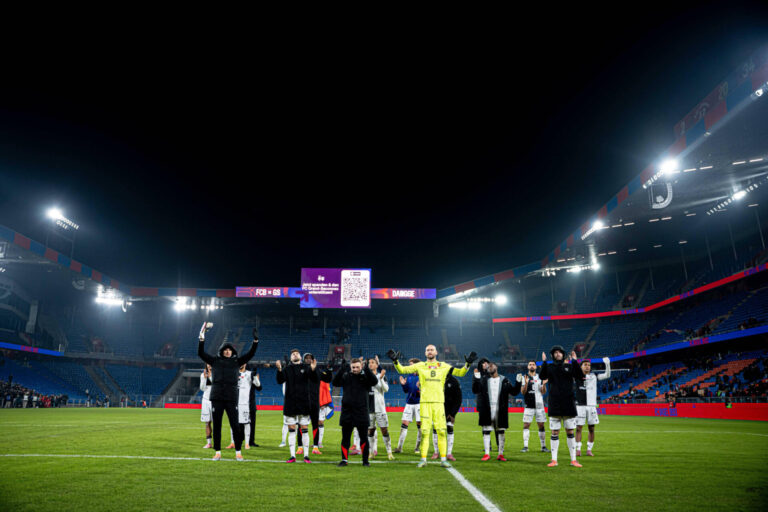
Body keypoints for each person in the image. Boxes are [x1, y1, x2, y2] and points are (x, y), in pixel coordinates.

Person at [388, 344, 475, 468]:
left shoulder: (444, 366)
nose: (429, 351)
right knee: (425, 432)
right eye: (427, 350)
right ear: (425, 353)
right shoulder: (420, 366)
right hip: (424, 403)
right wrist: (395, 361)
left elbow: (460, 373)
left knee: (441, 431)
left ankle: (443, 459)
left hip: (439, 404)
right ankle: (423, 459)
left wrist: (468, 364)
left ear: (436, 353)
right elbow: (402, 370)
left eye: (432, 350)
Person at [198, 323, 259, 461]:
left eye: (229, 350)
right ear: (221, 351)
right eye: (225, 350)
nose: (227, 351)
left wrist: (255, 341)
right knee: (217, 425)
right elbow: (200, 353)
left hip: (232, 397)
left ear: (233, 352)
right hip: (217, 397)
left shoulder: (237, 361)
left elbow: (251, 353)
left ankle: (238, 451)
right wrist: (201, 339)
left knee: (235, 425)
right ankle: (217, 452)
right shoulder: (215, 361)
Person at [539, 346, 584, 468]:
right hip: (554, 403)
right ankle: (554, 460)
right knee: (555, 432)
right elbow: (542, 377)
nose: (557, 354)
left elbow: (580, 376)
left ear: (563, 354)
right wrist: (544, 362)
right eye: (555, 352)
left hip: (568, 402)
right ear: (552, 355)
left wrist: (575, 361)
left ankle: (573, 460)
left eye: (559, 352)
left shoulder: (569, 367)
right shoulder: (549, 367)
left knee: (570, 431)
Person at [333, 358, 379, 467]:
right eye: (353, 367)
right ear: (350, 367)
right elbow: (335, 382)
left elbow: (375, 381)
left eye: (357, 367)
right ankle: (344, 460)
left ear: (361, 366)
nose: (355, 369)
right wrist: (341, 369)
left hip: (362, 412)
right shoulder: (346, 376)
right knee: (345, 438)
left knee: (364, 438)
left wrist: (366, 369)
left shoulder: (366, 377)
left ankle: (365, 461)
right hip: (347, 412)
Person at [472, 362, 522, 461]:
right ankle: (487, 454)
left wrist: (518, 382)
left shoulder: (504, 380)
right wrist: (476, 377)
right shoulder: (484, 380)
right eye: (488, 367)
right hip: (487, 409)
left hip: (501, 410)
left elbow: (514, 392)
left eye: (491, 365)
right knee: (486, 431)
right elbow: (475, 390)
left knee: (501, 431)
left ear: (496, 367)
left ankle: (500, 454)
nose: (489, 367)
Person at [276, 349, 319, 463]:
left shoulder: (306, 368)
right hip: (290, 404)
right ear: (291, 358)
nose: (295, 355)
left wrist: (313, 369)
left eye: (297, 353)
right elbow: (280, 380)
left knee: (304, 429)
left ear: (300, 356)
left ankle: (306, 456)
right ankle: (292, 456)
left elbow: (314, 379)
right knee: (292, 429)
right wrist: (279, 370)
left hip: (304, 403)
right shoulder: (287, 369)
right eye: (292, 354)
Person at [297, 353, 332, 456]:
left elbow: (328, 379)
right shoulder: (300, 369)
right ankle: (300, 447)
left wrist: (329, 370)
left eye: (310, 358)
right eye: (306, 358)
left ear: (313, 359)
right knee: (301, 424)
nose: (308, 360)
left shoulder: (317, 370)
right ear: (303, 360)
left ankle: (315, 447)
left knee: (315, 424)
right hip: (302, 401)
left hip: (314, 401)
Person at [575, 357, 611, 457]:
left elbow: (607, 375)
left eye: (589, 365)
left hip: (591, 406)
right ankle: (578, 449)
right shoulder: (577, 376)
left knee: (591, 428)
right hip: (580, 406)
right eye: (585, 365)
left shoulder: (594, 376)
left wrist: (607, 364)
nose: (587, 367)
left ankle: (589, 450)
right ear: (581, 367)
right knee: (579, 428)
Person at [432, 366, 462, 461]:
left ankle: (449, 453)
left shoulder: (454, 382)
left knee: (449, 428)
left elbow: (458, 399)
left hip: (449, 412)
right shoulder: (436, 380)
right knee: (435, 430)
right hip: (437, 410)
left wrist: (453, 414)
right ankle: (436, 452)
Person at [367, 356, 394, 460]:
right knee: (370, 431)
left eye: (373, 362)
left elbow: (386, 389)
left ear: (376, 365)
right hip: (369, 408)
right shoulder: (366, 376)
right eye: (369, 362)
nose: (370, 364)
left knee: (384, 430)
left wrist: (381, 378)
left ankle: (389, 452)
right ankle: (371, 452)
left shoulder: (381, 376)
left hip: (380, 408)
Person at [520, 360, 549, 453]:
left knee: (541, 425)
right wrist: (526, 383)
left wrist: (544, 384)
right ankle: (525, 446)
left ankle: (543, 446)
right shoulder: (524, 377)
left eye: (533, 365)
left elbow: (543, 392)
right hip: (529, 405)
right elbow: (523, 392)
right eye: (530, 364)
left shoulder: (540, 377)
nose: (532, 366)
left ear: (536, 367)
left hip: (539, 406)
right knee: (526, 425)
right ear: (528, 367)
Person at [394, 359, 422, 454]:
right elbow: (406, 391)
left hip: (420, 404)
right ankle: (399, 448)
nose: (409, 367)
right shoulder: (409, 376)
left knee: (420, 427)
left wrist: (420, 388)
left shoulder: (423, 375)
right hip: (409, 404)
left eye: (411, 365)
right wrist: (403, 385)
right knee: (404, 425)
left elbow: (425, 391)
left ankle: (417, 448)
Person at [246, 366, 263, 448]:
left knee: (252, 424)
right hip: (241, 404)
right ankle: (240, 440)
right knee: (240, 424)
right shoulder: (240, 377)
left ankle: (251, 441)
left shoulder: (253, 378)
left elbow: (259, 388)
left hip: (251, 404)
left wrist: (256, 378)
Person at [200, 364, 213, 448]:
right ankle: (209, 443)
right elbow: (202, 388)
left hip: (215, 400)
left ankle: (217, 442)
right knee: (207, 422)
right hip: (205, 400)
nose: (209, 365)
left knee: (216, 422)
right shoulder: (203, 374)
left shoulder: (217, 374)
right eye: (208, 364)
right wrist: (205, 378)